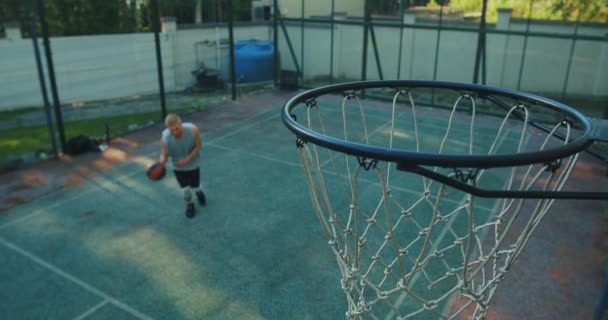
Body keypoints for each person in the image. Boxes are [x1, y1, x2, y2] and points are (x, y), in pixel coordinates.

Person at [159, 113, 206, 218]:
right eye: (171, 130)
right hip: (178, 167)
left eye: (176, 128)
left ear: (181, 123)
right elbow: (165, 154)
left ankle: (199, 192)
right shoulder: (164, 138)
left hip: (193, 164)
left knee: (196, 186)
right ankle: (190, 205)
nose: (175, 132)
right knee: (185, 189)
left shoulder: (193, 130)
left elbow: (199, 145)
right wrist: (160, 162)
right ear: (167, 129)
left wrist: (187, 159)